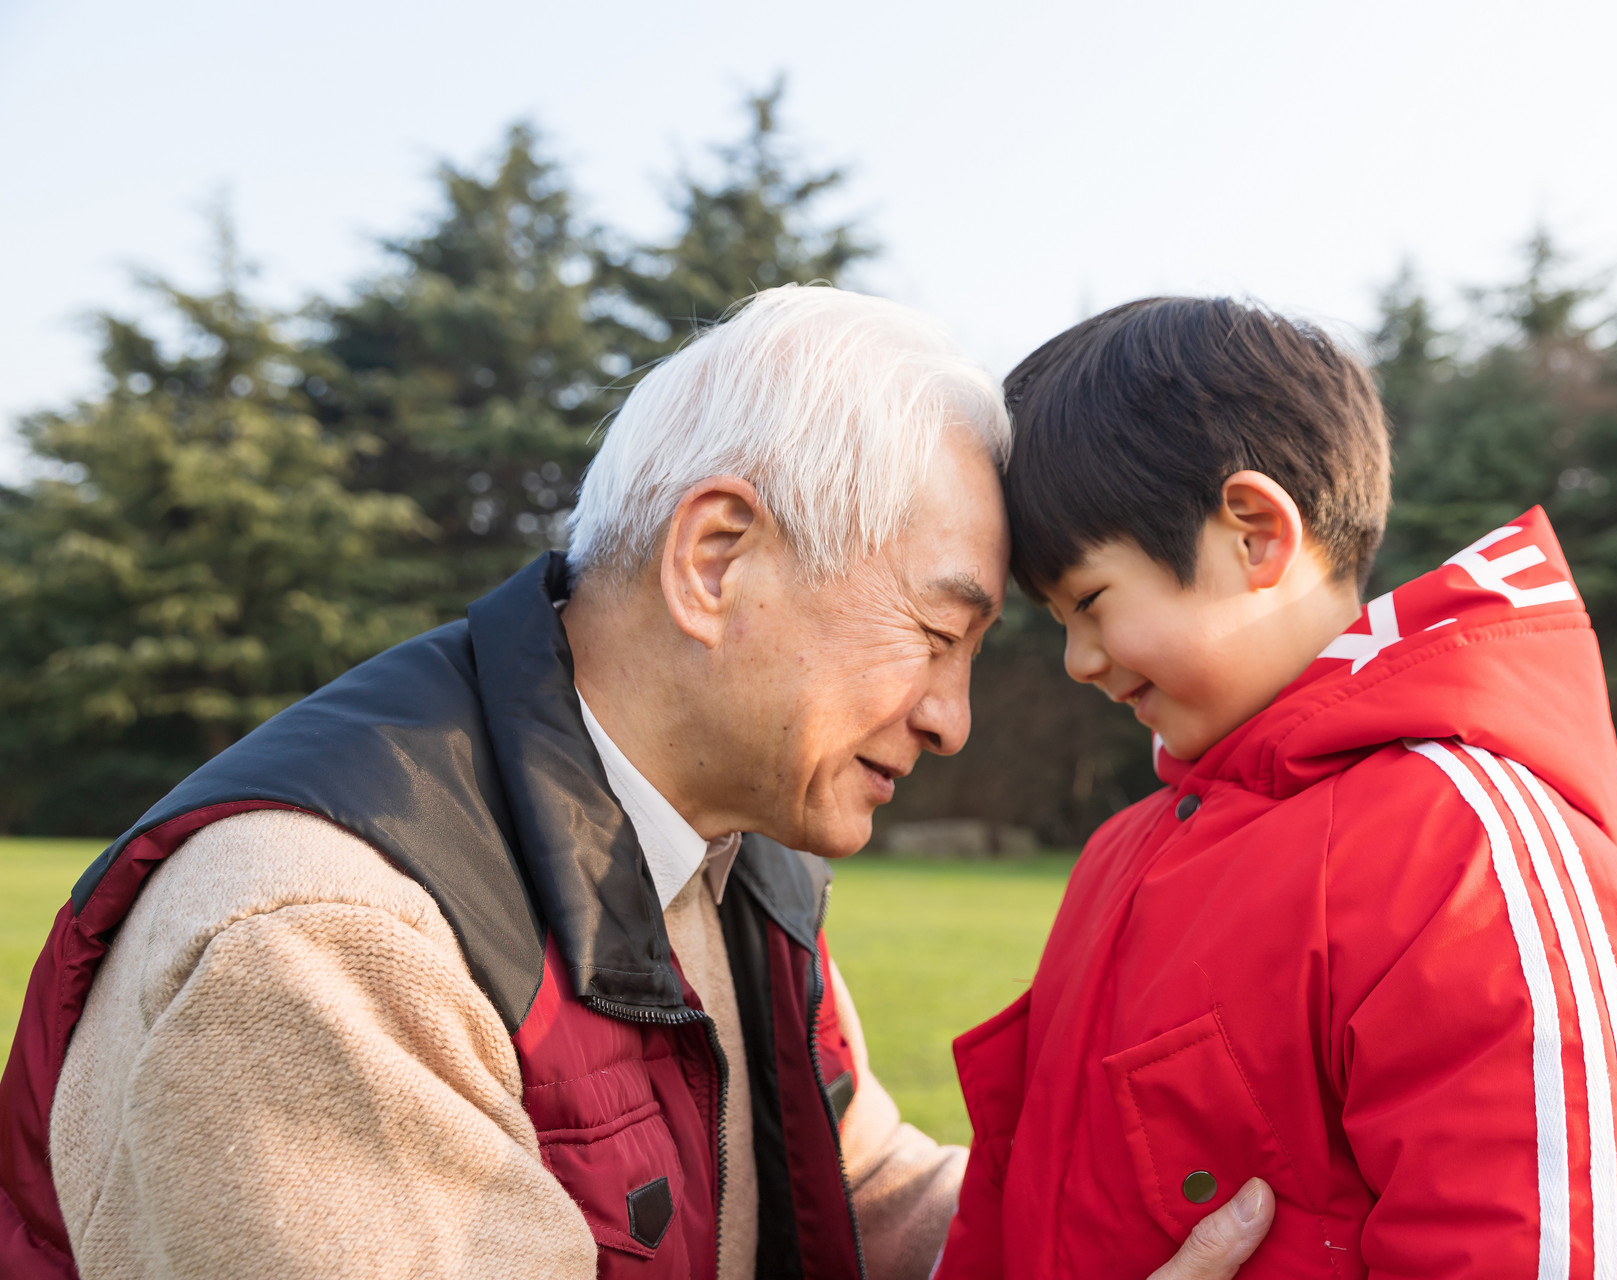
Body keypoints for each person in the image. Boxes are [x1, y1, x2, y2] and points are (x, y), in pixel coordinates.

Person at [0, 285, 1272, 1280]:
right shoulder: (324, 950)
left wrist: (1159, 1220)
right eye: (938, 636)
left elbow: (867, 1186)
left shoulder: (736, 859)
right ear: (715, 560)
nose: (951, 719)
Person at [936, 297, 1617, 1279]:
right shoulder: (1120, 855)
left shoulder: (1461, 848)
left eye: (1089, 602)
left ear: (1257, 532)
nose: (1077, 660)